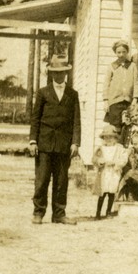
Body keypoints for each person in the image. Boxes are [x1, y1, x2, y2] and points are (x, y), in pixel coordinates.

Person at [29, 55, 81, 225]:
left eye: (62, 73)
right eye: (55, 73)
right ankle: (38, 212)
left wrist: (75, 142)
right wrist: (33, 141)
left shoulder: (72, 94)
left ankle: (59, 213)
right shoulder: (43, 92)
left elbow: (76, 120)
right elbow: (35, 118)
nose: (59, 76)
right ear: (51, 74)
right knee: (42, 180)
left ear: (66, 73)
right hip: (44, 143)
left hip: (63, 145)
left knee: (61, 181)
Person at [92, 125, 129, 219]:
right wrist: (100, 161)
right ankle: (98, 213)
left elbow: (124, 159)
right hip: (104, 173)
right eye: (106, 137)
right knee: (102, 193)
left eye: (111, 137)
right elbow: (94, 159)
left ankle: (108, 211)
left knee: (111, 193)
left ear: (115, 138)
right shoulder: (101, 148)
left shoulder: (119, 149)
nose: (108, 139)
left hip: (113, 173)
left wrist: (116, 163)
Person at [103, 39, 138, 131]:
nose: (121, 54)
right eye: (118, 52)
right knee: (115, 127)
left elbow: (136, 83)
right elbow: (106, 84)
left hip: (128, 102)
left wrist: (135, 99)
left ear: (127, 52)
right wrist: (105, 101)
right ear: (115, 52)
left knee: (127, 127)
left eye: (124, 52)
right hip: (114, 102)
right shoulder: (112, 66)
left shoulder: (132, 66)